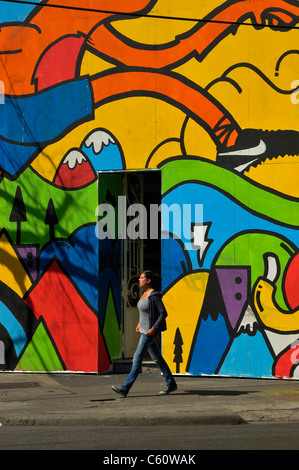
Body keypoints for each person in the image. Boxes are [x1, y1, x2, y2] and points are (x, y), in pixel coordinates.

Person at [112, 270, 177, 397]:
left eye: (142, 278)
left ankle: (125, 388)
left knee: (137, 357)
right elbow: (145, 312)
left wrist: (154, 328)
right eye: (140, 278)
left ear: (148, 280)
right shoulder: (144, 293)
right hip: (143, 329)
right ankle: (171, 384)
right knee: (158, 358)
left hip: (149, 333)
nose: (139, 280)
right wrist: (139, 323)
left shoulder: (154, 295)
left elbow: (163, 313)